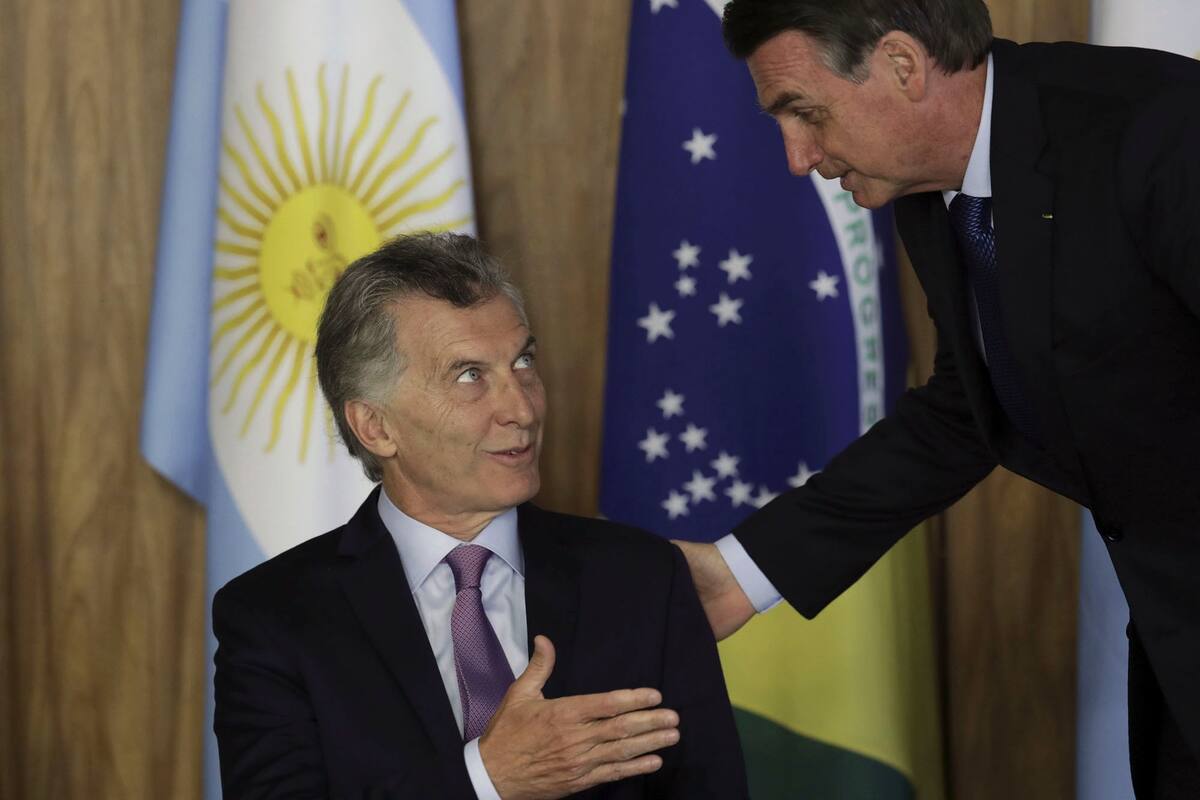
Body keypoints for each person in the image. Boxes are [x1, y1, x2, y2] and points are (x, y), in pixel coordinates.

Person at [673, 1, 1200, 796]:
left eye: (806, 113)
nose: (796, 156)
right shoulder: (933, 187)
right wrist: (736, 574)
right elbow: (969, 407)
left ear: (902, 65)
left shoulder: (1160, 130)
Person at [212, 233, 747, 799]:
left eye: (523, 363)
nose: (521, 408)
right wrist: (486, 780)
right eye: (470, 376)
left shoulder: (641, 578)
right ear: (376, 427)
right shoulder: (274, 618)